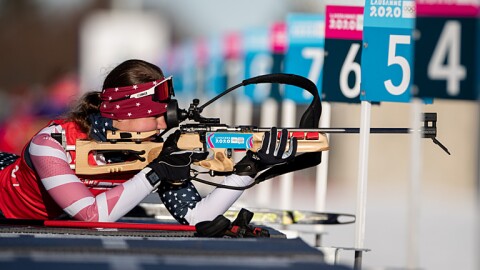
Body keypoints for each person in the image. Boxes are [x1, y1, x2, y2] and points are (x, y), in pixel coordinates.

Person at [0, 59, 297, 225]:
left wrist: (248, 169)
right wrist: (155, 173)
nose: (161, 125)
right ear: (123, 114)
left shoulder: (148, 149)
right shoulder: (51, 143)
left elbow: (198, 217)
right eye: (154, 115)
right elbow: (92, 215)